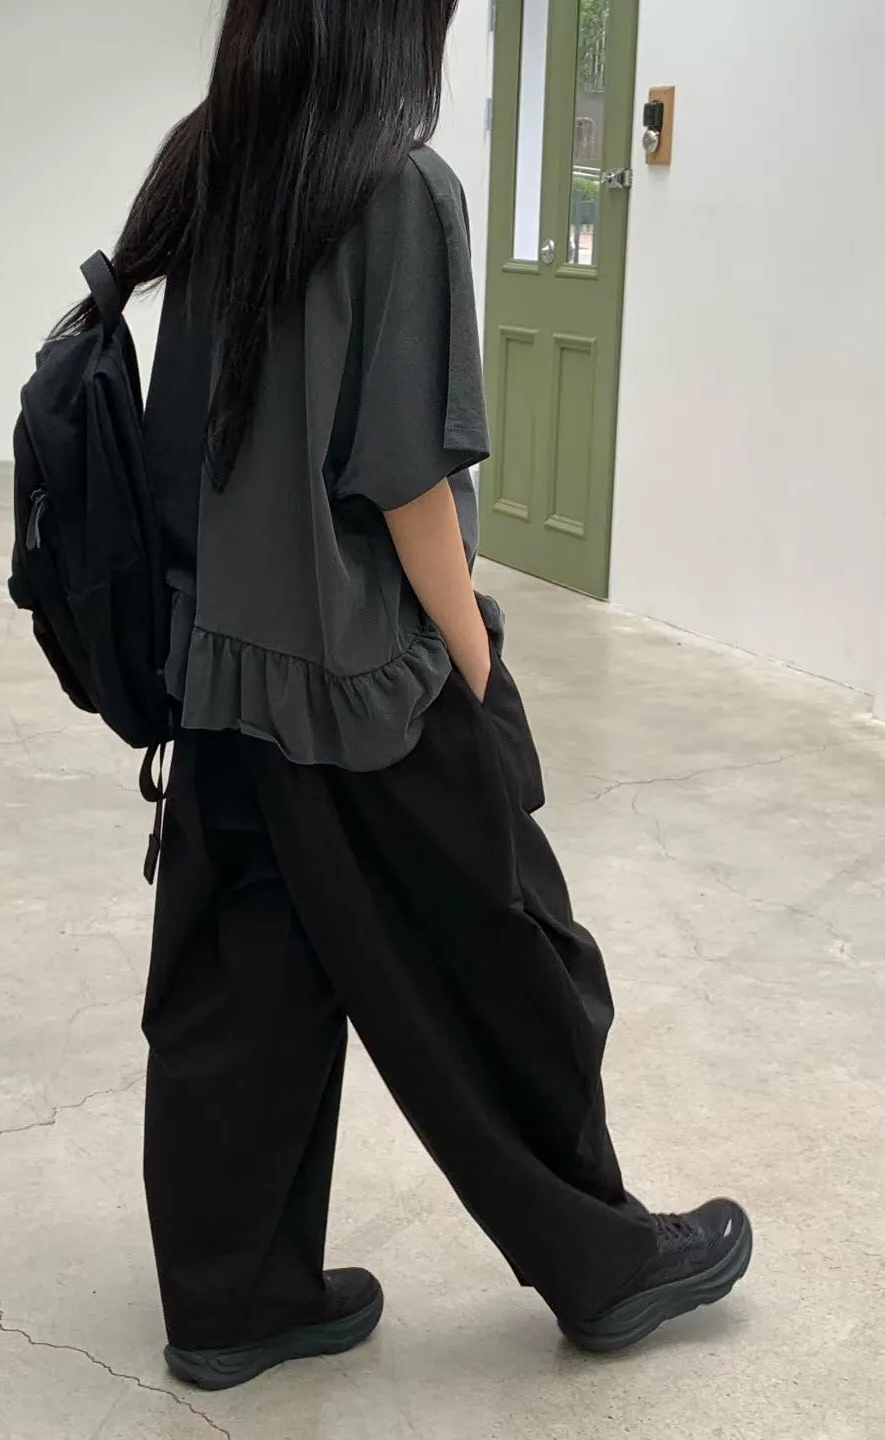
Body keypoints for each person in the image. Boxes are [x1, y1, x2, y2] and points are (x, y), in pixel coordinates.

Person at [62, 0, 752, 1392]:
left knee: (239, 990)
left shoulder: (219, 161)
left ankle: (234, 1299)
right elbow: (408, 483)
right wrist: (478, 664)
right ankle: (606, 1264)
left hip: (223, 674)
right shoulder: (397, 186)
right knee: (506, 960)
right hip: (361, 680)